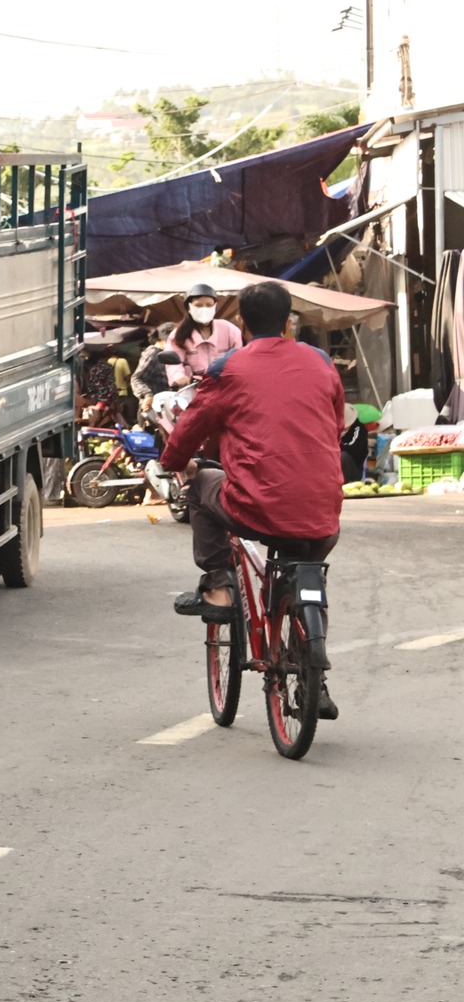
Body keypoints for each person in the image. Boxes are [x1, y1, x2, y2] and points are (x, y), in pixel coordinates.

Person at [167, 281, 343, 718]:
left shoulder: (228, 369)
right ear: (288, 320)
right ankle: (313, 674)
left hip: (255, 506)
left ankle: (218, 586)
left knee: (201, 485)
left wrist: (175, 462)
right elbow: (336, 423)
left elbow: (191, 426)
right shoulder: (322, 363)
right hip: (324, 513)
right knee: (309, 575)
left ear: (242, 323)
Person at [171, 283, 242, 380]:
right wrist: (179, 378)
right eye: (198, 305)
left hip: (224, 384)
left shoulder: (228, 329)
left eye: (209, 305)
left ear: (215, 307)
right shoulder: (178, 334)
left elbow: (240, 356)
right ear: (189, 308)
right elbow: (173, 364)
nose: (204, 309)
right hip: (194, 386)